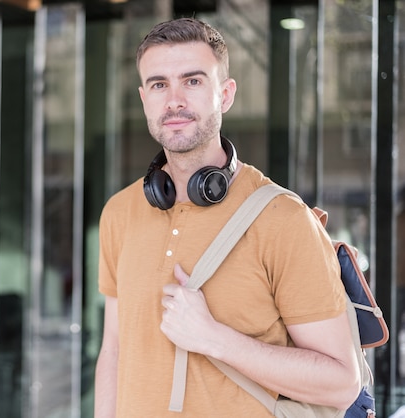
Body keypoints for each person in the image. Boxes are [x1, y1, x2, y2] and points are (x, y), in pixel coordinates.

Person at [94, 17, 361, 417]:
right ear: (144, 98)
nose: (175, 101)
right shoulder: (119, 212)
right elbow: (113, 350)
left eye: (194, 81)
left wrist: (215, 339)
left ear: (226, 94)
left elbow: (341, 385)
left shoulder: (283, 219)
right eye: (159, 84)